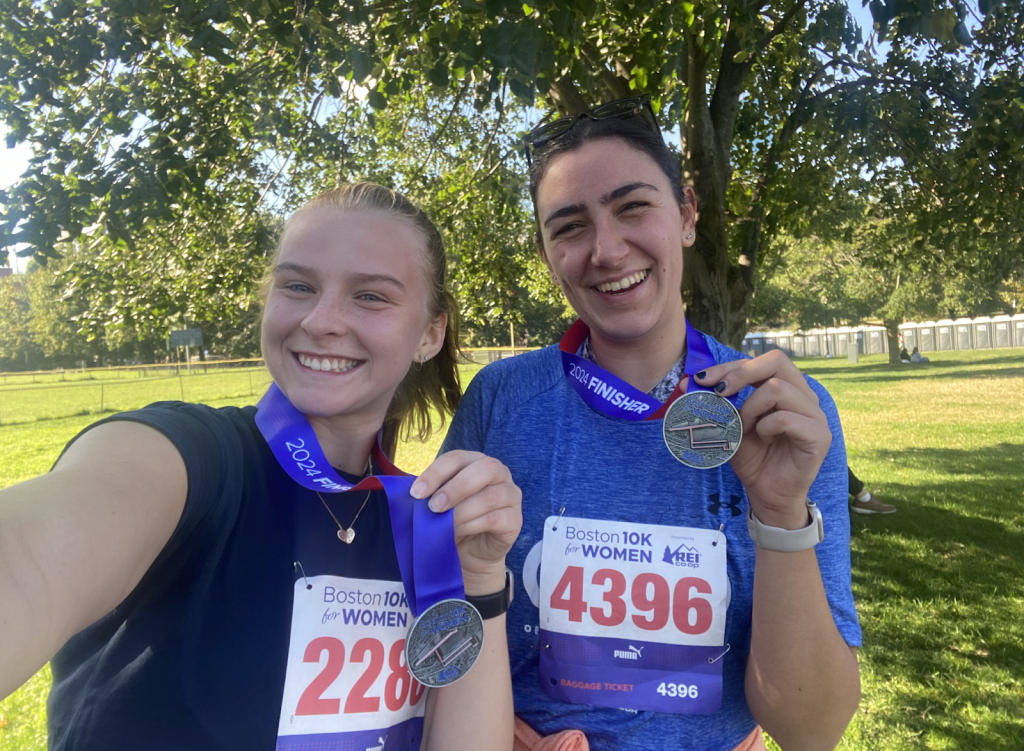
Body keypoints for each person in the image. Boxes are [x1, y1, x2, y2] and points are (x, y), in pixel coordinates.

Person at [0, 183, 522, 751]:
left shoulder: (424, 525)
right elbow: (29, 562)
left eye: (370, 296)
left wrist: (480, 580)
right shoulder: (195, 459)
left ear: (430, 333)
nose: (322, 321)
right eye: (298, 286)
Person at [441, 97, 861, 751]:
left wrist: (778, 509)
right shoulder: (499, 401)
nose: (607, 250)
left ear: (687, 214)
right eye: (570, 226)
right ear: (547, 251)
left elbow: (811, 728)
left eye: (633, 206)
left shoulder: (777, 416)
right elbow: (443, 639)